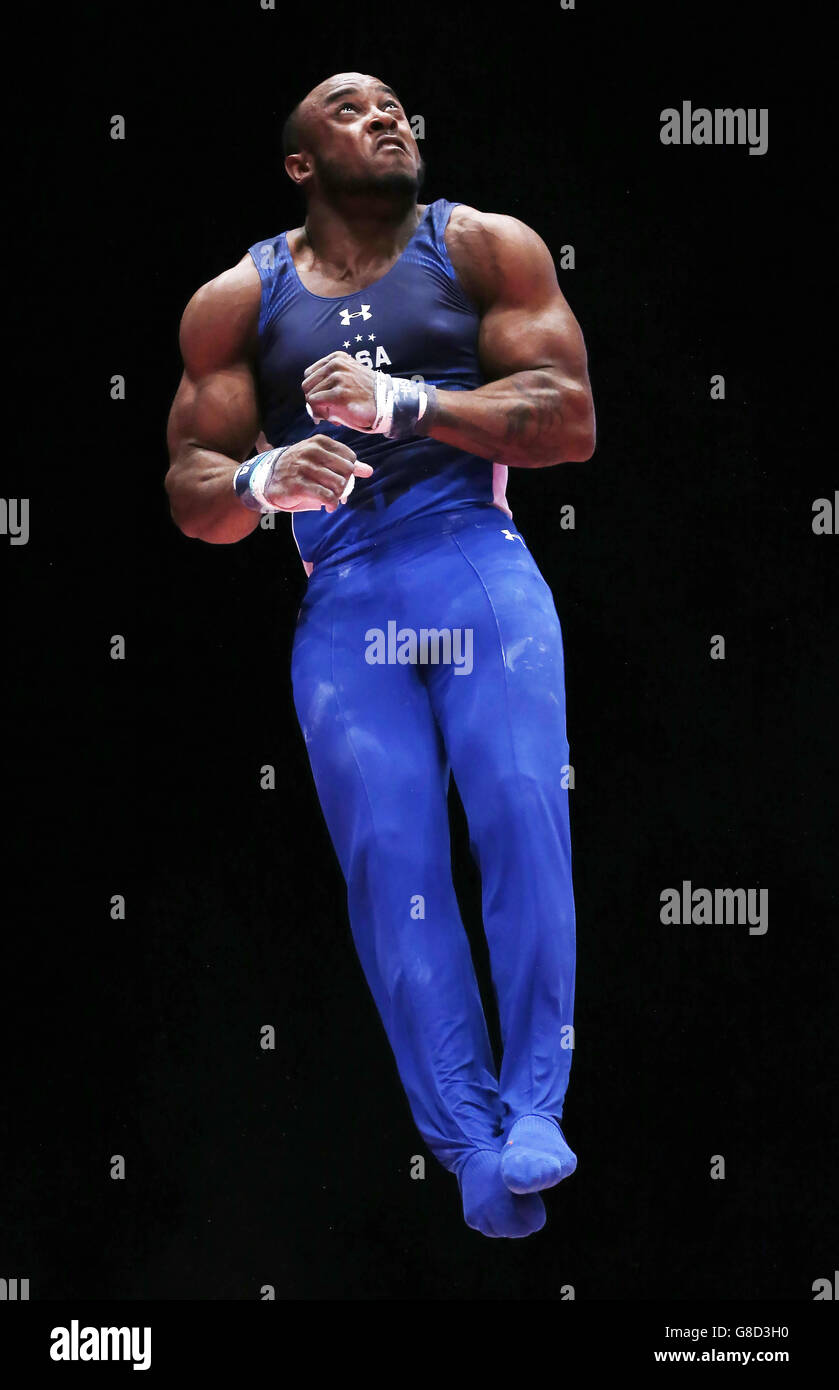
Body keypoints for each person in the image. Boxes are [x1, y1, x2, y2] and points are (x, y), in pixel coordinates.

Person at [165, 72, 596, 1238]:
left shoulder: (482, 248)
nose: (391, 116)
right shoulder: (232, 303)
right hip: (343, 599)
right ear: (301, 163)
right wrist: (261, 479)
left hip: (473, 562)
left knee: (516, 812)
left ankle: (533, 1106)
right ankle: (463, 1140)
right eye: (355, 110)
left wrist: (404, 404)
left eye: (399, 106)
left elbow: (568, 419)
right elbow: (189, 492)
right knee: (391, 862)